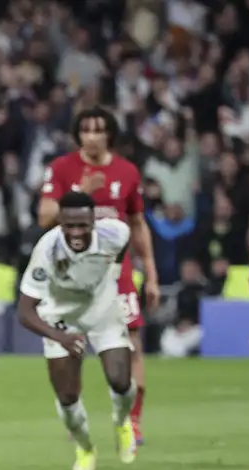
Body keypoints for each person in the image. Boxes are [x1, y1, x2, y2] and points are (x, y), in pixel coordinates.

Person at [38, 107, 159, 447]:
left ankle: (132, 424)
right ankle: (75, 420)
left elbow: (138, 225)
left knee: (132, 350)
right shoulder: (62, 169)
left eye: (99, 130)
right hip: (71, 280)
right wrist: (80, 190)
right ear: (78, 135)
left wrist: (150, 273)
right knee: (70, 354)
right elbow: (44, 217)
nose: (92, 136)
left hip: (116, 277)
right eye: (86, 130)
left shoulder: (127, 171)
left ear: (110, 134)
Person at [19, 191, 138, 470]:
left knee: (120, 380)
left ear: (93, 221)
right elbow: (25, 312)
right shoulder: (47, 249)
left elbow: (123, 247)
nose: (76, 232)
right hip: (61, 318)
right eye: (69, 225)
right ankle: (85, 448)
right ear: (60, 222)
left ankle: (122, 421)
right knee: (67, 396)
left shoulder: (116, 233)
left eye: (82, 225)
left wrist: (114, 273)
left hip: (102, 309)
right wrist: (59, 336)